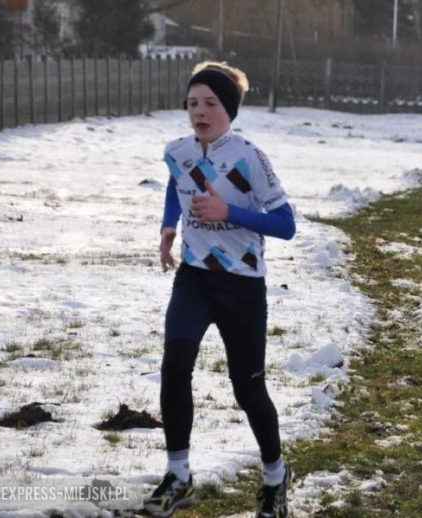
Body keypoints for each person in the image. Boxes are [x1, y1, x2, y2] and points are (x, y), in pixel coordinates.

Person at [144, 61, 295, 518]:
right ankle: (179, 475)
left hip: (242, 284)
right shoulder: (179, 150)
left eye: (210, 103)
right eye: (192, 103)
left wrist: (229, 211)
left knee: (247, 390)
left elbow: (285, 225)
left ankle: (274, 475)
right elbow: (178, 182)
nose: (199, 112)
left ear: (228, 109)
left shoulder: (249, 155)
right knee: (175, 367)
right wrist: (170, 225)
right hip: (194, 278)